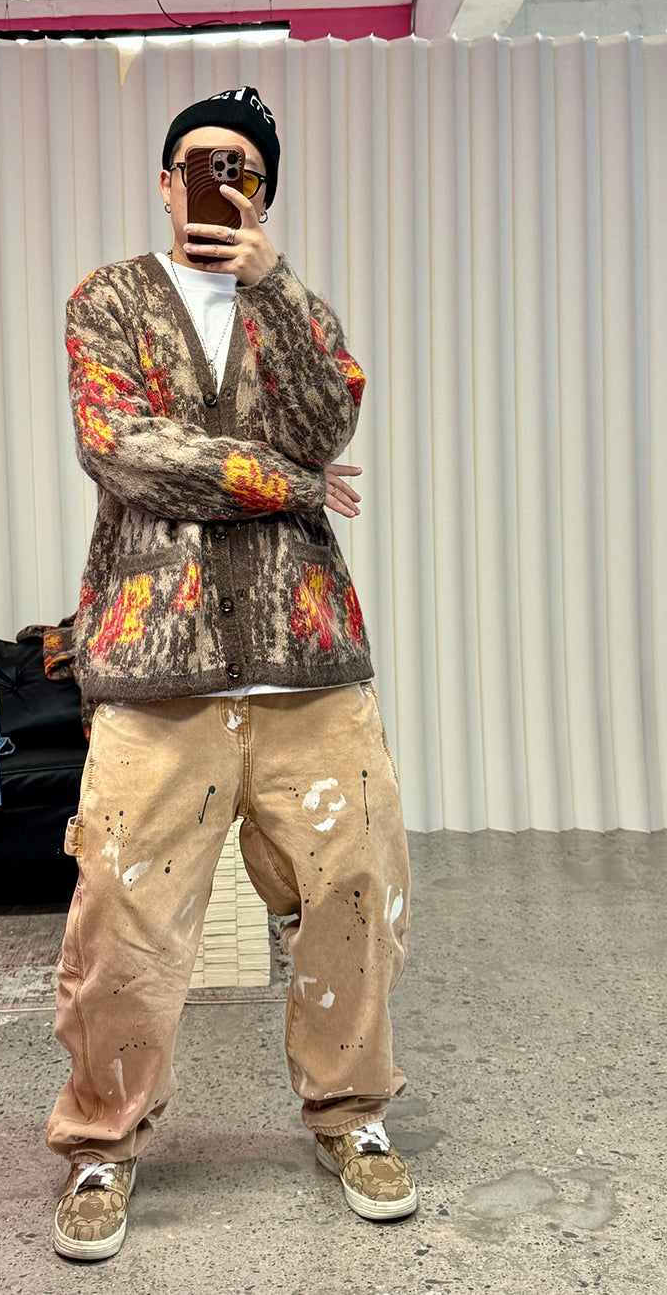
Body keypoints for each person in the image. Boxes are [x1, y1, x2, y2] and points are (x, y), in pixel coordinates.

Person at [47, 86, 414, 1262]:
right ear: (167, 183)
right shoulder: (109, 299)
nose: (220, 181)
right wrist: (290, 485)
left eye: (242, 168)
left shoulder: (293, 304)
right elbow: (124, 449)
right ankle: (102, 1143)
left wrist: (277, 286)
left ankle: (352, 1115)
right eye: (201, 163)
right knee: (122, 922)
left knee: (354, 896)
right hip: (158, 674)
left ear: (263, 192)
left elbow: (327, 421)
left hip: (310, 666)